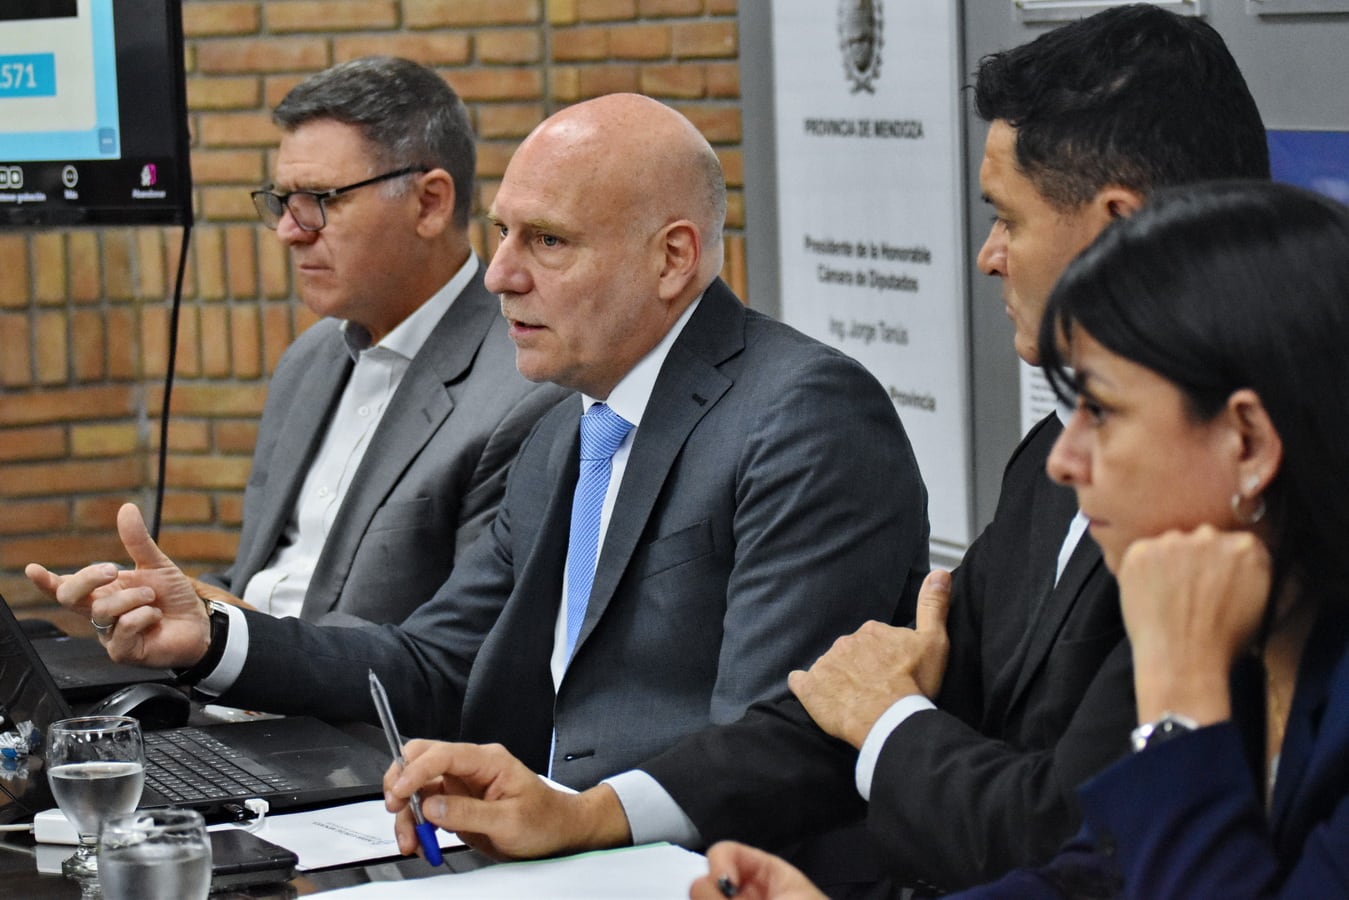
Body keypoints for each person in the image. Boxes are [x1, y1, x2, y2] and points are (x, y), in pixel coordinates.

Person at [371, 5, 1271, 892]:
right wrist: (587, 813)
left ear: (1116, 223)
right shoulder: (1049, 458)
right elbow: (835, 709)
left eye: (1007, 218)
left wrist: (889, 720)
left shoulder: (1222, 506)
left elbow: (1058, 831)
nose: (989, 255)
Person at [27, 93, 929, 790]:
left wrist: (579, 816)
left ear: (673, 258)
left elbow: (778, 745)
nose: (499, 274)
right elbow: (434, 661)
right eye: (502, 233)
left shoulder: (805, 414)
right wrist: (212, 638)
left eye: (546, 240)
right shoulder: (564, 429)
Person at [695, 180, 1349, 900]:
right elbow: (1089, 878)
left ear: (1249, 443)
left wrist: (1180, 704)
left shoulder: (1201, 653)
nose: (1065, 461)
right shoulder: (1253, 636)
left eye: (1100, 411)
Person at [194, 56, 568, 626]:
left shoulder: (528, 386)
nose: (290, 231)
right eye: (282, 201)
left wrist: (226, 638)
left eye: (320, 198)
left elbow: (460, 651)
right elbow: (270, 583)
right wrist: (177, 600)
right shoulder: (308, 360)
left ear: (429, 203)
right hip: (231, 698)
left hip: (356, 713)